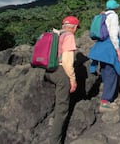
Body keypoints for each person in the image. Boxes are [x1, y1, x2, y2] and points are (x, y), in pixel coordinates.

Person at [44, 15, 79, 144]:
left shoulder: (55, 34)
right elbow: (67, 62)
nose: (76, 30)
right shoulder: (69, 36)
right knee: (62, 109)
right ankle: (55, 141)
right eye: (76, 28)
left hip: (47, 70)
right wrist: (72, 80)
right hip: (60, 72)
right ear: (73, 27)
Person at [88, 0, 120, 112]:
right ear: (115, 8)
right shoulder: (113, 16)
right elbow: (113, 34)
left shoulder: (103, 15)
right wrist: (118, 50)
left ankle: (106, 99)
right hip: (109, 49)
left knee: (105, 72)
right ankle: (105, 102)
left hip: (100, 48)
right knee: (111, 74)